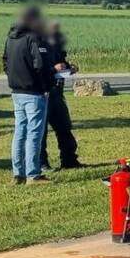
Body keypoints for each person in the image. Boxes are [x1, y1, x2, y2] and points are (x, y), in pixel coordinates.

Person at [2, 6, 53, 184]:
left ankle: (18, 173)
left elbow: (5, 63)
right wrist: (46, 84)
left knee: (19, 132)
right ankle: (33, 174)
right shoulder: (33, 38)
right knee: (34, 134)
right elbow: (40, 65)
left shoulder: (10, 38)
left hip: (16, 91)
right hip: (34, 93)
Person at [39, 20, 81, 170]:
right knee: (41, 131)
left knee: (64, 127)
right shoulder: (37, 44)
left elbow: (61, 62)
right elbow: (38, 69)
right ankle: (41, 162)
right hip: (42, 93)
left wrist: (69, 67)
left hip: (57, 92)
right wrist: (54, 69)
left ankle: (69, 159)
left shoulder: (56, 47)